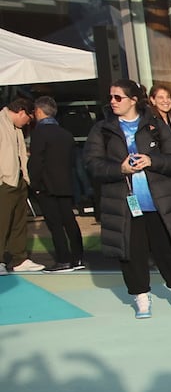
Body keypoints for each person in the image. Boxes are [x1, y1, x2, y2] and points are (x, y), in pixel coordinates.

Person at [83, 80, 171, 317]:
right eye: (111, 97)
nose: (113, 102)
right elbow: (92, 164)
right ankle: (141, 296)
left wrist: (152, 161)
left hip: (159, 202)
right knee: (132, 252)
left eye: (118, 97)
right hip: (124, 203)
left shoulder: (155, 126)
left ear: (133, 100)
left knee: (169, 248)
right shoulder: (102, 129)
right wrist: (119, 168)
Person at [27, 97, 85, 272]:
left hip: (46, 185)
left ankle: (63, 259)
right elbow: (73, 161)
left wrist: (34, 183)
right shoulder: (65, 134)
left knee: (55, 224)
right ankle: (78, 257)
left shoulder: (39, 133)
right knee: (69, 221)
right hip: (66, 183)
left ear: (38, 111)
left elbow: (36, 161)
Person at [0, 98, 43, 274]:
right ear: (21, 112)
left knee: (19, 221)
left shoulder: (15, 128)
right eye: (28, 119)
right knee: (2, 222)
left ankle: (19, 258)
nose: (28, 123)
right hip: (4, 181)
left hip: (18, 178)